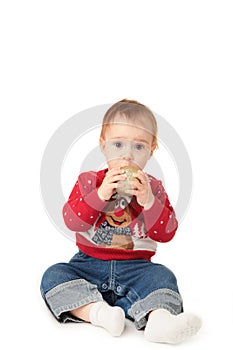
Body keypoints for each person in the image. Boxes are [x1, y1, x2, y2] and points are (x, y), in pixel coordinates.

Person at [40, 99, 202, 344]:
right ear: (103, 147)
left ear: (151, 149)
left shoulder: (153, 188)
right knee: (54, 275)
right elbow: (73, 221)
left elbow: (166, 233)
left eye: (138, 146)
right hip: (88, 264)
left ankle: (158, 321)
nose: (127, 155)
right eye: (118, 145)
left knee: (163, 278)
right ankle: (98, 313)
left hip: (138, 268)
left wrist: (148, 202)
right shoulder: (89, 182)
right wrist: (100, 195)